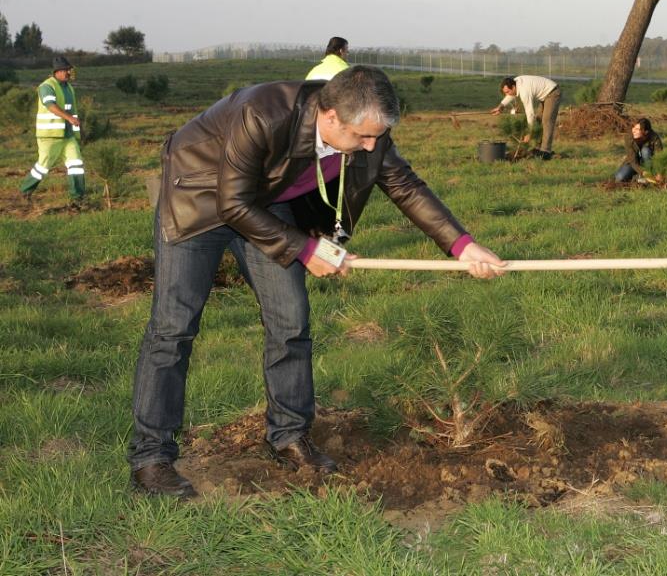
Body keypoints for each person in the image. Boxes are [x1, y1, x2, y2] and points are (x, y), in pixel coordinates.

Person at [128, 66, 505, 498]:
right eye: (362, 137)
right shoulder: (262, 114)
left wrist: (462, 245)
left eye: (376, 137)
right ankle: (151, 458)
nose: (370, 146)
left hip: (265, 205)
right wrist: (307, 251)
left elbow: (403, 183)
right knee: (173, 329)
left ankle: (288, 435)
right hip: (198, 198)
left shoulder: (368, 132)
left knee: (291, 319)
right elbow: (232, 204)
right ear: (328, 118)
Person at [18, 55, 85, 205]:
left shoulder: (69, 88)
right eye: (67, 70)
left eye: (69, 70)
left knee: (76, 165)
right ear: (58, 71)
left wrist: (77, 129)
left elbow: (72, 111)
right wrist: (69, 118)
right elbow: (51, 106)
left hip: (68, 136)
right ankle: (25, 191)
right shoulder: (46, 86)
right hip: (50, 136)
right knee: (43, 166)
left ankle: (78, 198)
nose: (69, 73)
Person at [489, 75, 561, 160]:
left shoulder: (524, 92)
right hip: (544, 96)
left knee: (546, 121)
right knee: (538, 121)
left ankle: (546, 151)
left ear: (513, 87)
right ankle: (539, 149)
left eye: (507, 92)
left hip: (552, 92)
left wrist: (529, 132)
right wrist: (501, 106)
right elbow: (510, 95)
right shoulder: (515, 83)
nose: (507, 94)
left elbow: (530, 113)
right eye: (505, 93)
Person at [614, 118, 663, 183]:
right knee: (619, 177)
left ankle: (650, 175)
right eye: (634, 127)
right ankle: (638, 178)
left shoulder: (654, 137)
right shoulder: (628, 137)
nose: (634, 130)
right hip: (634, 163)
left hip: (649, 164)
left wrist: (659, 172)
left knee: (645, 150)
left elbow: (660, 157)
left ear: (645, 132)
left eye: (637, 129)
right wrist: (642, 172)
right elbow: (632, 160)